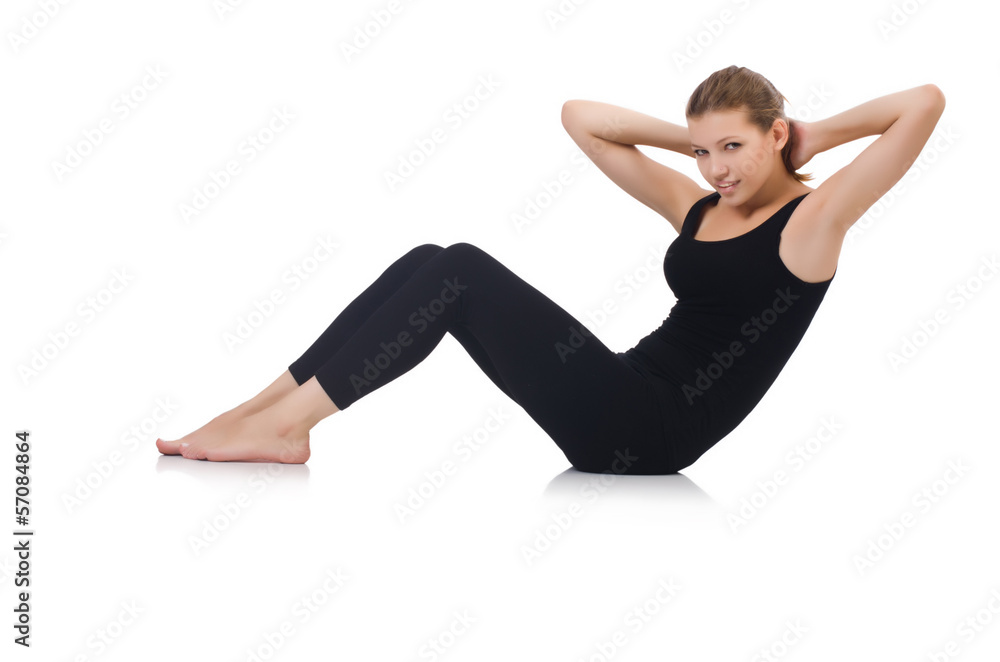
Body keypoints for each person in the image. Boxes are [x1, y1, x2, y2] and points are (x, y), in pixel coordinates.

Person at [156, 65, 945, 474]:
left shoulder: (813, 223)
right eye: (704, 153)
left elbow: (924, 103)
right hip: (620, 391)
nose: (714, 170)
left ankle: (289, 430)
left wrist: (808, 137)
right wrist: (699, 137)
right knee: (430, 260)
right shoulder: (700, 208)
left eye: (733, 148)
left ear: (777, 135)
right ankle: (261, 409)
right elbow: (584, 121)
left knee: (459, 268)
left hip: (652, 431)